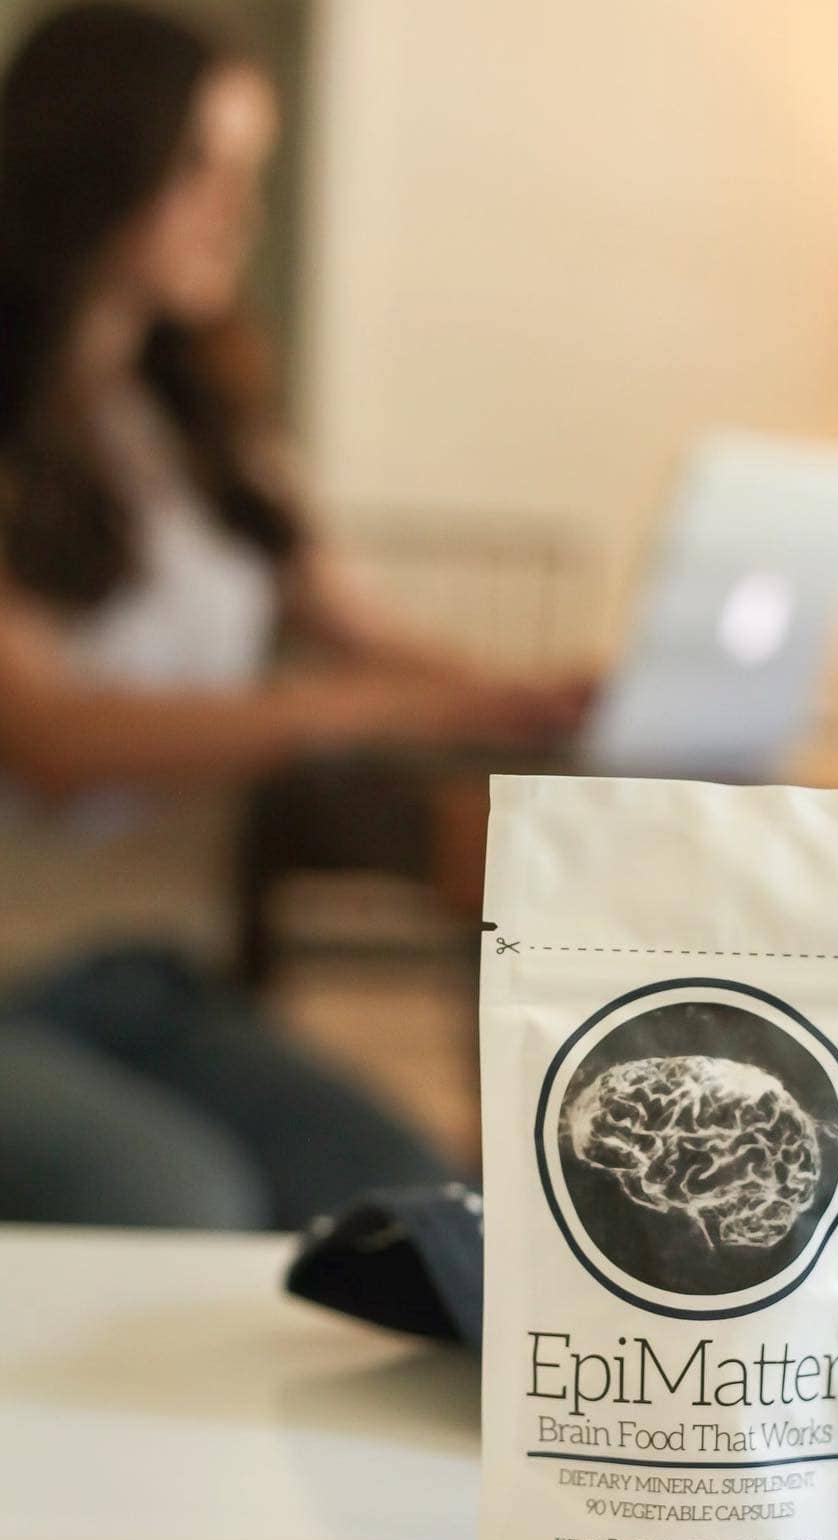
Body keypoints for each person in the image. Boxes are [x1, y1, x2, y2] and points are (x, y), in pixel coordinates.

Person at [0, 2, 588, 1229]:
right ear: (92, 160)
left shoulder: (200, 425)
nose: (238, 213)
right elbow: (53, 734)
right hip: (17, 977)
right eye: (203, 169)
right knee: (172, 1196)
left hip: (155, 974)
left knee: (413, 1200)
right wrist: (353, 708)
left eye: (248, 174)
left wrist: (519, 697)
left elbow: (353, 624)